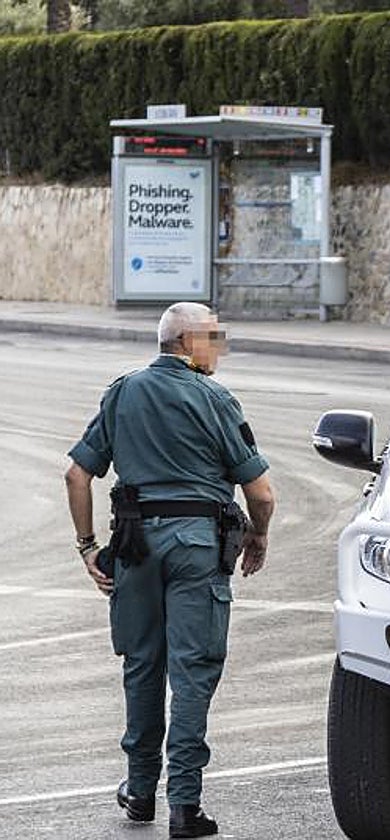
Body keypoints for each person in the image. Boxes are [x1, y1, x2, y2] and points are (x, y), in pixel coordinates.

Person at [65, 302, 275, 838]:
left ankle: (139, 794)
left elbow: (76, 475)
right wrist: (258, 533)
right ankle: (184, 805)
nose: (219, 348)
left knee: (141, 666)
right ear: (185, 341)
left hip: (133, 547)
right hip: (195, 547)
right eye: (213, 338)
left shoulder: (122, 392)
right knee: (193, 672)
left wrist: (89, 547)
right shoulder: (215, 399)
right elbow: (262, 492)